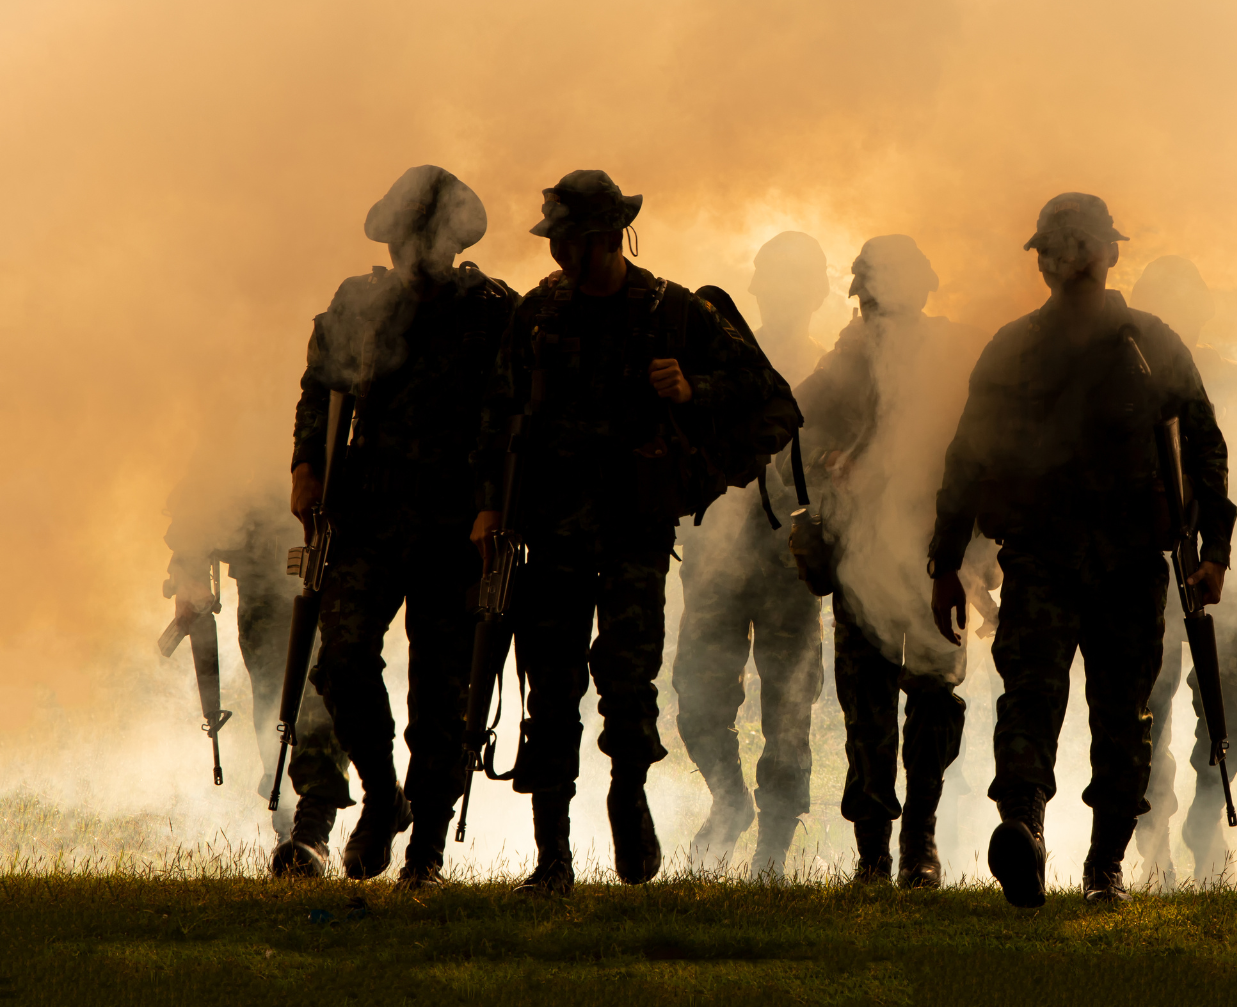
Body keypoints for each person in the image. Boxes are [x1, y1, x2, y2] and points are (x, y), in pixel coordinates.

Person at [472, 170, 795, 898]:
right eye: (555, 239)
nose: (557, 253)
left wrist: (694, 391)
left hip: (633, 533)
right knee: (549, 690)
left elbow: (772, 399)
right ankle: (552, 856)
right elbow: (497, 417)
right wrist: (489, 505)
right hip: (549, 531)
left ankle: (628, 793)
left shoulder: (675, 313)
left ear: (607, 238)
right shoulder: (535, 315)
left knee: (627, 680)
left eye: (568, 239)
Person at [929, 194, 1235, 907]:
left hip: (1130, 559)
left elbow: (1205, 449)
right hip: (1040, 557)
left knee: (1122, 715)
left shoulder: (1151, 343)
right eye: (1055, 250)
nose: (1066, 264)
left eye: (1078, 248)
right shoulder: (1012, 348)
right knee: (1031, 700)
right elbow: (967, 459)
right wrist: (944, 561)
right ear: (1041, 261)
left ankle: (1105, 868)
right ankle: (1024, 832)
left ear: (1109, 255)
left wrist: (1214, 548)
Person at [293, 165, 515, 887]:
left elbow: (507, 417)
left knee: (443, 693)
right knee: (341, 658)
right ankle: (384, 795)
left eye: (418, 236)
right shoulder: (357, 303)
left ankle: (425, 858)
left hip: (458, 522)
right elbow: (320, 389)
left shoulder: (491, 311)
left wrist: (493, 507)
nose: (406, 252)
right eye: (399, 238)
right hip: (370, 513)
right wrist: (306, 467)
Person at [794, 235, 992, 887]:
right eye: (871, 302)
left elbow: (987, 450)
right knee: (866, 709)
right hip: (860, 556)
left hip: (937, 555)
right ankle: (875, 854)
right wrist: (831, 459)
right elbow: (803, 418)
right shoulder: (849, 354)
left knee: (935, 702)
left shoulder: (952, 352)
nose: (876, 314)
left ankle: (920, 847)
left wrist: (980, 553)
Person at [1123, 255, 1237, 885]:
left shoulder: (1234, 379)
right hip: (1145, 575)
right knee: (1145, 715)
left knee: (1231, 714)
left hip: (1214, 574)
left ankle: (1204, 821)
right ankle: (1154, 844)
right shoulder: (1122, 382)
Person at [672, 232, 830, 875]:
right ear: (759, 287)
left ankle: (774, 844)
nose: (786, 292)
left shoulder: (829, 373)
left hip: (791, 559)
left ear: (817, 292)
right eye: (775, 279)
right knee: (698, 696)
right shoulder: (723, 359)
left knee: (789, 706)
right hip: (718, 551)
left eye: (799, 280)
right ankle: (730, 800)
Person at [162, 473, 352, 876]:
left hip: (335, 559)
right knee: (273, 701)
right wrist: (189, 563)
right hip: (262, 575)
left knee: (321, 697)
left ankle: (311, 827)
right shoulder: (241, 414)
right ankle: (289, 826)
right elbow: (207, 471)